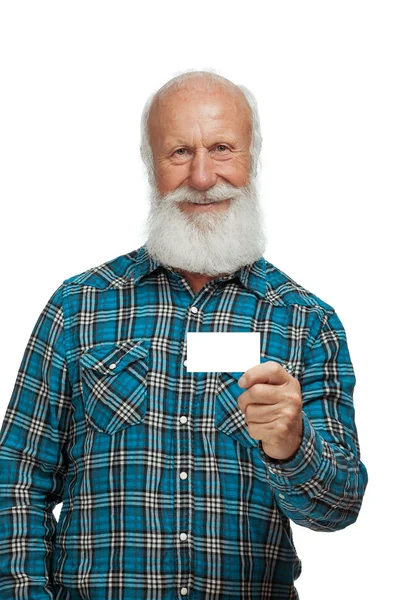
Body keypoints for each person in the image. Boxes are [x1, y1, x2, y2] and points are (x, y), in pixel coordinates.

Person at [0, 69, 368, 599]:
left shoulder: (308, 322)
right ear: (151, 166)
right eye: (178, 153)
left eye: (221, 148)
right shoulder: (77, 307)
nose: (201, 177)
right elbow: (16, 481)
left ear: (251, 160)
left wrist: (292, 445)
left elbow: (339, 509)